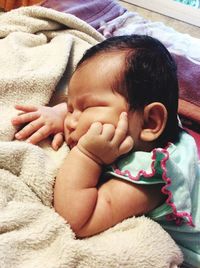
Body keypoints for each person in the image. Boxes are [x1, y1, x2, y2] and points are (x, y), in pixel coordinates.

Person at [11, 35, 200, 267]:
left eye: (87, 107)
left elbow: (79, 219)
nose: (70, 122)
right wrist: (61, 112)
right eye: (71, 108)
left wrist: (88, 156)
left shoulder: (150, 180)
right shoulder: (145, 129)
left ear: (151, 122)